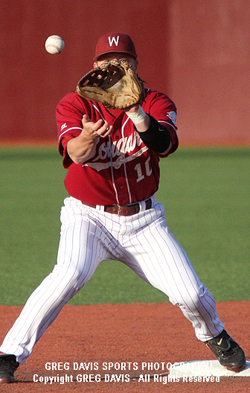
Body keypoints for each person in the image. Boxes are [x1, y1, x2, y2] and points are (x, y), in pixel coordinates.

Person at [0, 32, 246, 383]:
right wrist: (87, 136)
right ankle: (9, 354)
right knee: (68, 273)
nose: (114, 64)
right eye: (106, 59)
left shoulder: (157, 102)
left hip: (144, 220)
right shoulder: (74, 104)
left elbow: (164, 145)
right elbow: (75, 154)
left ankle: (215, 335)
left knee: (189, 292)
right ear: (95, 67)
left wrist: (136, 112)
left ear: (135, 64)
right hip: (88, 217)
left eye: (122, 58)